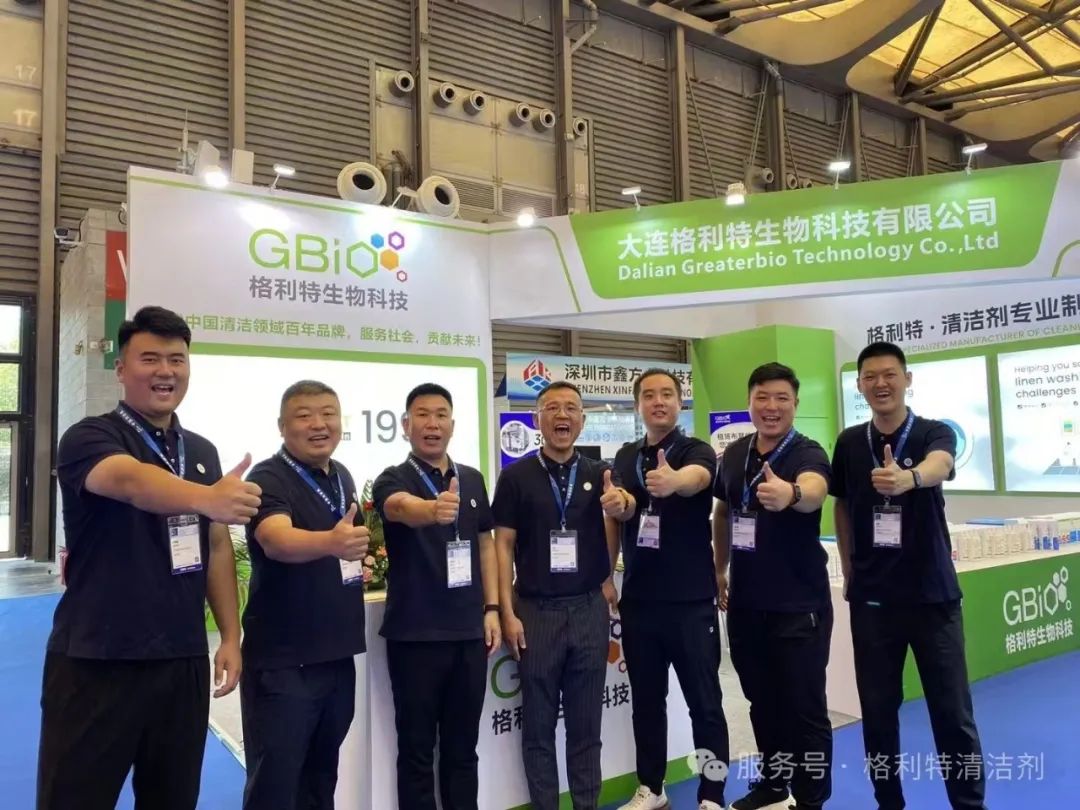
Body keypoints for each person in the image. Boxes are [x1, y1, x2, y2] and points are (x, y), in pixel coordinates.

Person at [38, 305, 259, 810]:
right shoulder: (90, 437)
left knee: (173, 798)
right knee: (74, 798)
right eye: (150, 358)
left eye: (177, 359)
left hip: (181, 660)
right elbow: (130, 482)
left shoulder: (200, 451)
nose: (166, 371)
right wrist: (206, 497)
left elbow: (215, 545)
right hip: (98, 658)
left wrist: (230, 636)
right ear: (121, 368)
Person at [831, 342, 986, 810]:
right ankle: (889, 803)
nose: (880, 383)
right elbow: (842, 505)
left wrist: (909, 477)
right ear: (860, 385)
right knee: (878, 713)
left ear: (907, 379)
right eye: (870, 376)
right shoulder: (849, 442)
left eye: (890, 374)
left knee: (952, 712)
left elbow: (942, 464)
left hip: (932, 597)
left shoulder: (932, 432)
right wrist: (850, 567)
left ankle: (969, 804)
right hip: (873, 600)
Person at [492, 381, 625, 810]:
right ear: (537, 420)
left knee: (586, 729)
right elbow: (502, 545)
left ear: (583, 420)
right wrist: (506, 611)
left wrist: (607, 575)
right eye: (552, 408)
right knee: (538, 729)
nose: (562, 415)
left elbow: (615, 519)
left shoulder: (599, 473)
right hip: (535, 612)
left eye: (571, 408)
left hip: (588, 610)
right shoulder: (515, 477)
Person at [240, 380, 369, 810]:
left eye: (328, 413)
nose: (319, 424)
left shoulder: (341, 475)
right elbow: (275, 539)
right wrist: (331, 542)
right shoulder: (268, 477)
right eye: (304, 415)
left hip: (337, 656)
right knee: (276, 784)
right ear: (282, 426)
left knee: (320, 778)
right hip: (284, 663)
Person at [373, 383, 501, 810]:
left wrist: (492, 608)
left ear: (452, 424)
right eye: (423, 415)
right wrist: (431, 510)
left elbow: (485, 544)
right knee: (416, 750)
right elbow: (398, 507)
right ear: (406, 425)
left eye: (441, 415)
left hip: (468, 633)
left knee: (463, 749)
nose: (433, 424)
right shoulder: (393, 478)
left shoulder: (472, 478)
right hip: (416, 636)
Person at [713, 363, 833, 810]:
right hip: (747, 604)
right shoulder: (735, 453)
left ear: (795, 404)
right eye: (762, 397)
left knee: (805, 708)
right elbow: (723, 512)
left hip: (799, 606)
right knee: (761, 701)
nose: (771, 407)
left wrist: (792, 495)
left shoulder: (806, 452)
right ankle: (774, 783)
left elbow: (815, 489)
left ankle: (811, 800)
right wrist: (719, 568)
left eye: (782, 398)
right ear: (749, 402)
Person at [614, 369, 728, 810]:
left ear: (680, 402)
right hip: (640, 602)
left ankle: (712, 793)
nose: (658, 401)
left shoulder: (695, 449)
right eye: (648, 395)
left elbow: (698, 477)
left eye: (666, 394)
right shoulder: (626, 456)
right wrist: (621, 505)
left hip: (691, 602)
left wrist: (675, 481)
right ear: (638, 405)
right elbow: (622, 509)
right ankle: (652, 787)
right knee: (646, 702)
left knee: (705, 703)